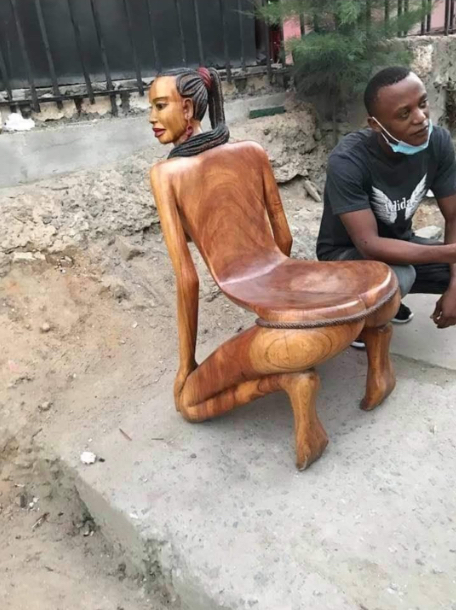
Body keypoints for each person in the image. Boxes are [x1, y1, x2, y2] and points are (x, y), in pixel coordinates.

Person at [316, 66, 456, 347]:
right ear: (376, 124)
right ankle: (359, 319)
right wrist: (451, 253)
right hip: (345, 255)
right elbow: (369, 245)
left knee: (422, 272)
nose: (421, 118)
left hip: (399, 244)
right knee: (402, 274)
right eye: (404, 114)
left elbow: (454, 215)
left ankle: (386, 301)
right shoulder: (348, 161)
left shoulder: (437, 142)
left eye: (422, 103)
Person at [148, 67, 229, 158]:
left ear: (187, 109)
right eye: (151, 107)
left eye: (160, 106)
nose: (151, 118)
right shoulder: (226, 156)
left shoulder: (171, 167)